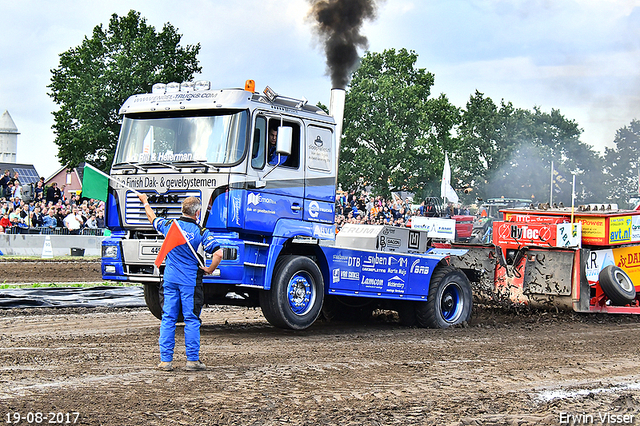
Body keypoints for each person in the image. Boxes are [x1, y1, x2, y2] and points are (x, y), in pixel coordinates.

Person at [138, 192, 224, 372]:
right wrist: (209, 269)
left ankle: (165, 361)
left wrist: (145, 202)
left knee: (168, 318)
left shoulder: (170, 226)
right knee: (191, 319)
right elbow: (218, 253)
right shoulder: (201, 232)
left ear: (182, 210)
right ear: (197, 213)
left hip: (169, 279)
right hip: (190, 282)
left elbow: (152, 218)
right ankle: (192, 360)